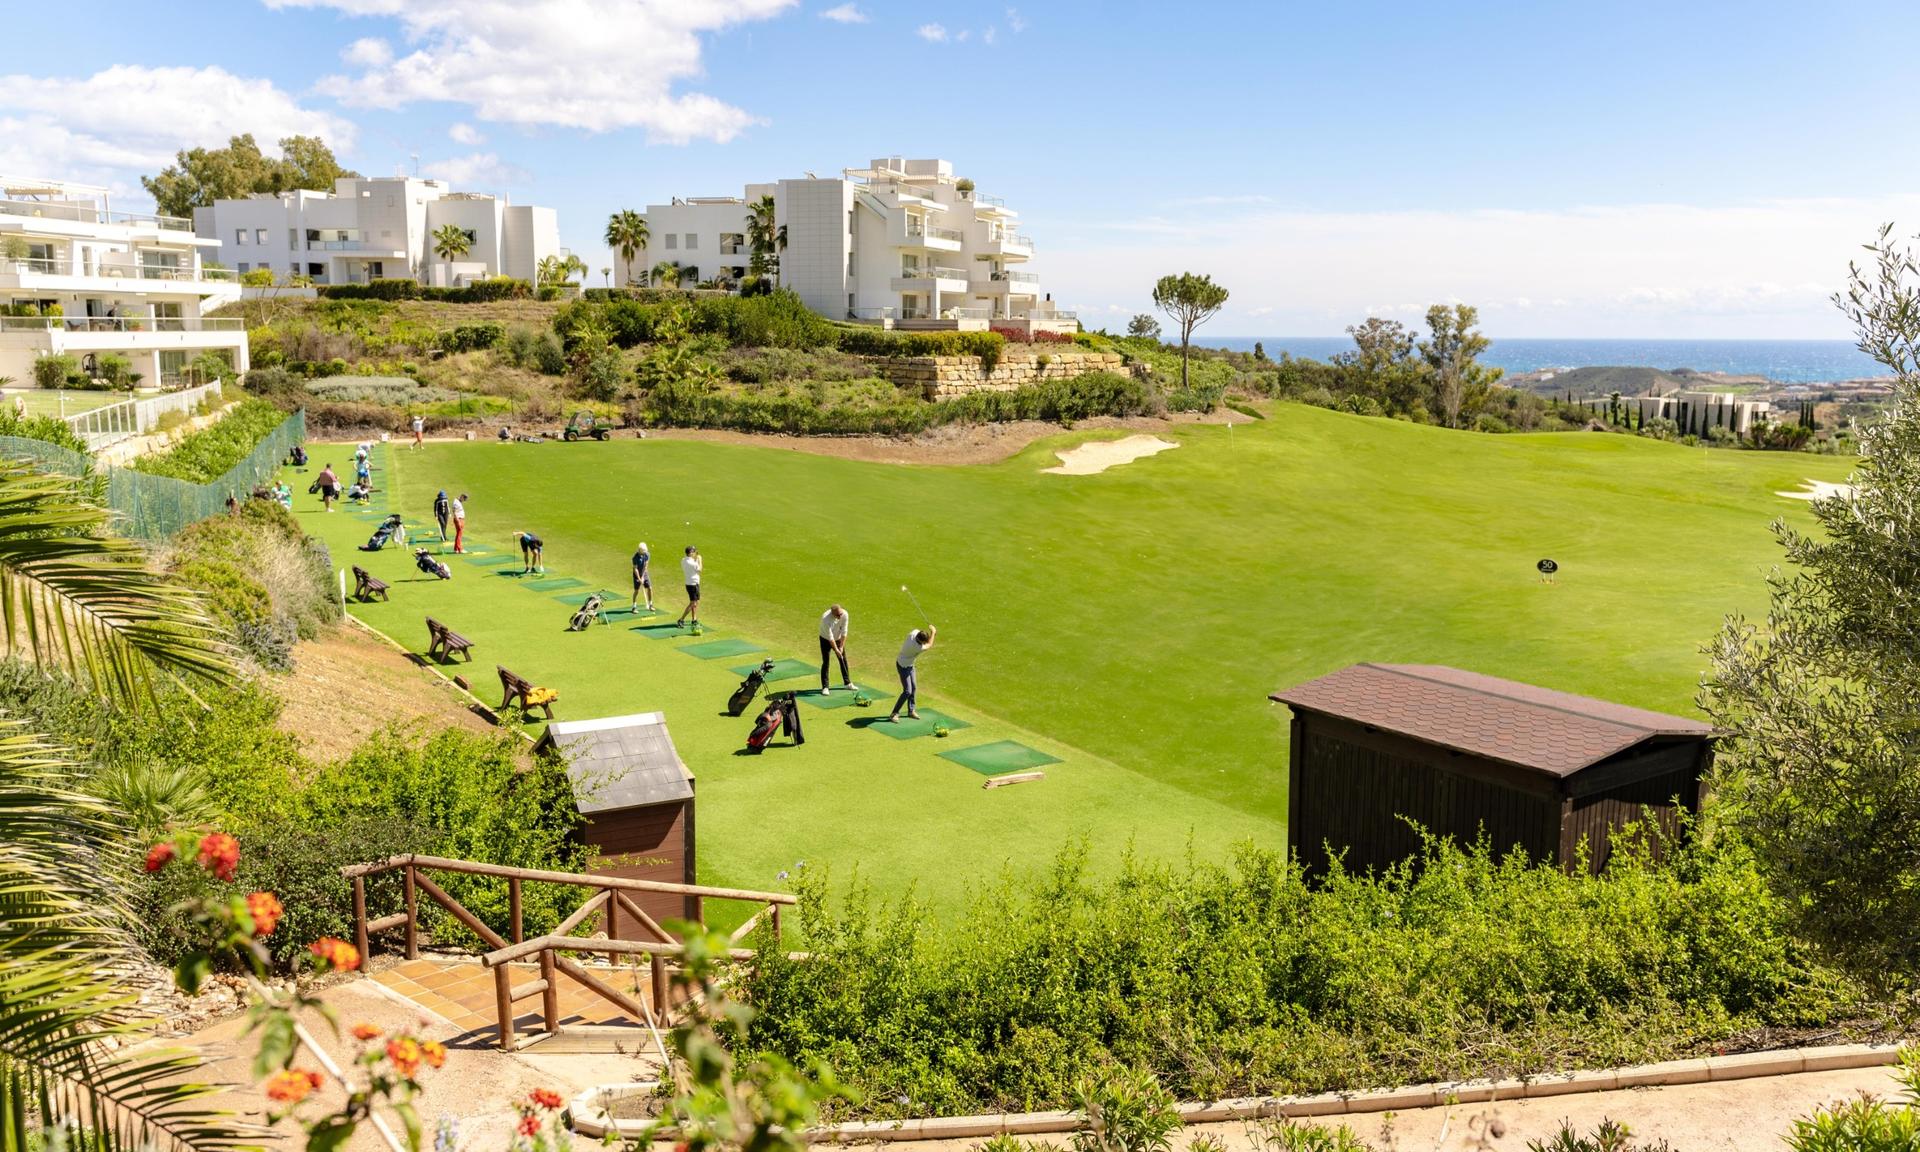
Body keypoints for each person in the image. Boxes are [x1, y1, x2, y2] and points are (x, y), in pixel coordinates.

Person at [888, 626, 936, 723]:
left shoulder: (913, 633)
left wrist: (929, 633)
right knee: (907, 691)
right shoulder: (917, 647)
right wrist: (933, 632)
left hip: (910, 665)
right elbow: (929, 644)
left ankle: (911, 710)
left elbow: (923, 637)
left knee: (914, 688)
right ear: (921, 641)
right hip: (902, 666)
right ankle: (894, 713)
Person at [818, 604, 851, 694]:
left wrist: (841, 647)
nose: (840, 616)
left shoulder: (845, 614)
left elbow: (844, 631)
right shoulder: (826, 619)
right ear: (832, 614)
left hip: (838, 638)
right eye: (838, 615)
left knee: (843, 659)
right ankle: (825, 687)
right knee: (826, 662)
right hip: (825, 639)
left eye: (841, 614)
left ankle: (848, 683)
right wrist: (836, 650)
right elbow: (830, 637)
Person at [675, 545, 703, 628]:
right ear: (690, 553)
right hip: (693, 585)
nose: (695, 553)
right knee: (693, 603)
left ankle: (694, 619)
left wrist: (696, 559)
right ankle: (681, 619)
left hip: (691, 584)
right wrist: (699, 560)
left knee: (695, 602)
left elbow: (692, 564)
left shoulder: (684, 560)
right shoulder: (692, 562)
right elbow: (700, 569)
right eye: (694, 552)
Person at [630, 541, 654, 613]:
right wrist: (639, 579)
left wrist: (643, 576)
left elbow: (645, 566)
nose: (645, 552)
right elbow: (635, 569)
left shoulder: (647, 554)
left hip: (644, 573)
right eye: (643, 551)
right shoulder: (635, 557)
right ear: (640, 551)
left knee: (650, 588)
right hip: (636, 574)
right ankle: (634, 607)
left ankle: (650, 605)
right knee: (636, 591)